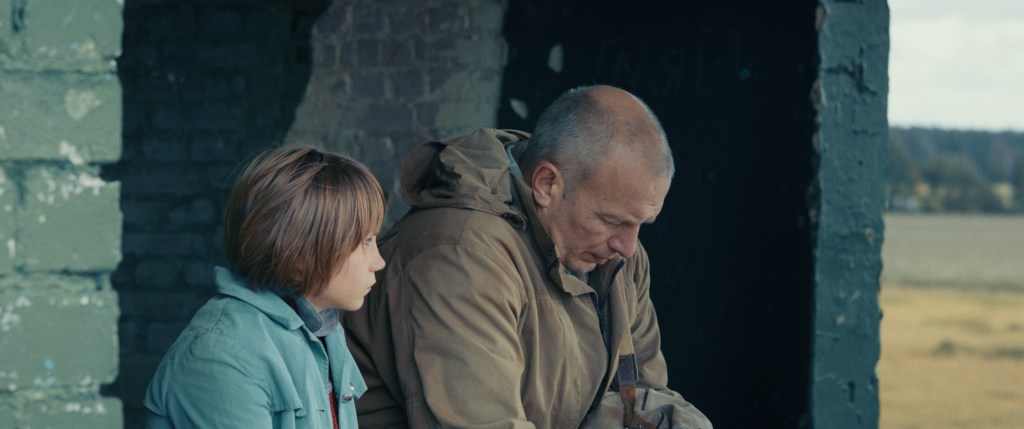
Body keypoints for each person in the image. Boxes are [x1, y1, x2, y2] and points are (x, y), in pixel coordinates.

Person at [344, 85, 710, 428]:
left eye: (641, 223)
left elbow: (640, 402)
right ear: (546, 184)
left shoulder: (616, 259)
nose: (628, 247)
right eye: (611, 221)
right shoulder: (460, 256)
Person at [144, 145, 386, 428]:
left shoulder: (323, 331)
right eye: (365, 242)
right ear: (301, 255)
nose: (378, 262)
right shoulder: (221, 356)